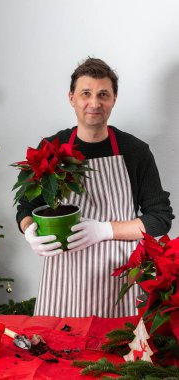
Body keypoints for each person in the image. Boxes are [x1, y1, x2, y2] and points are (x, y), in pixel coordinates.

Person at [16, 57, 174, 318]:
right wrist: (30, 231)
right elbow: (26, 208)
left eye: (103, 94)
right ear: (71, 97)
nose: (94, 103)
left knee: (116, 355)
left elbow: (160, 218)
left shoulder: (135, 151)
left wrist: (104, 230)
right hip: (63, 282)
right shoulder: (51, 148)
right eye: (85, 93)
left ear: (114, 99)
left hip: (119, 279)